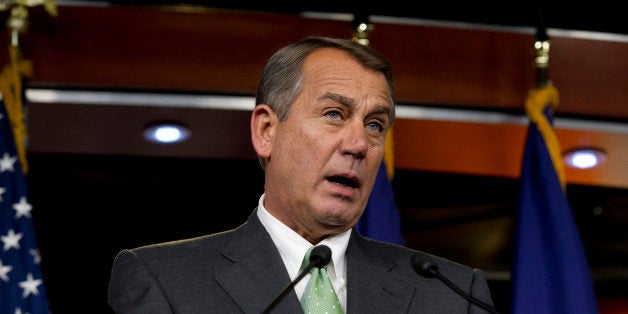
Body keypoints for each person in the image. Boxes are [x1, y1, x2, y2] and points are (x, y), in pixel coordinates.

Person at [107, 36, 495, 313]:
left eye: (375, 125)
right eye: (334, 115)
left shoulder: (451, 294)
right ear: (266, 131)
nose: (358, 144)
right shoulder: (166, 281)